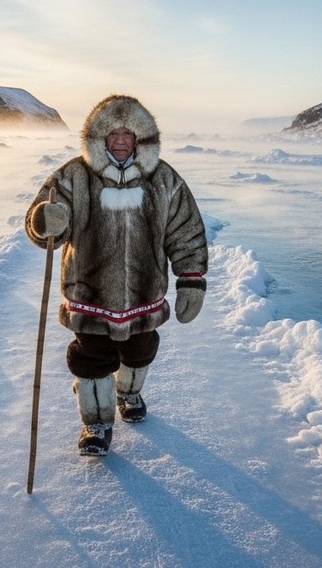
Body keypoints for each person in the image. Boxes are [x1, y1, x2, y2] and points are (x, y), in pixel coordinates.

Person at [25, 94, 209, 456]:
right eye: (113, 134)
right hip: (89, 293)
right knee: (91, 358)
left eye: (129, 134)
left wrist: (191, 279)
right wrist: (47, 222)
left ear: (142, 139)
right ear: (99, 139)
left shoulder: (164, 179)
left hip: (145, 292)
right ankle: (96, 423)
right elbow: (44, 225)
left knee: (140, 352)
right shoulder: (73, 176)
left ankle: (129, 392)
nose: (121, 140)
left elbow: (185, 231)